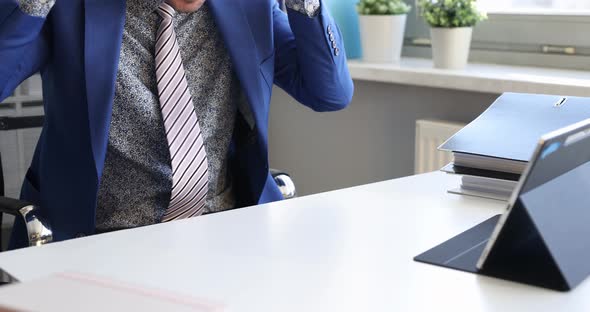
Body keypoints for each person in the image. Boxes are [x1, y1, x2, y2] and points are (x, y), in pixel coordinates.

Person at [0, 0, 353, 248]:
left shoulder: (249, 6)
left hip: (225, 229)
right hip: (100, 239)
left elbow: (330, 93)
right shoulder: (70, 7)